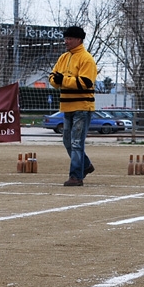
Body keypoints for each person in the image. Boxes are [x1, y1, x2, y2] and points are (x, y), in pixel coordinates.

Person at [49, 26, 97, 186]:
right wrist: (56, 80)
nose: (66, 42)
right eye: (66, 38)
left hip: (82, 107)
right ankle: (86, 165)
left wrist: (63, 80)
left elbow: (85, 83)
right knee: (67, 141)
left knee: (76, 142)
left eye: (69, 39)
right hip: (66, 107)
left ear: (79, 40)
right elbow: (52, 77)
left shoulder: (87, 59)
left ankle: (76, 176)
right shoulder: (63, 57)